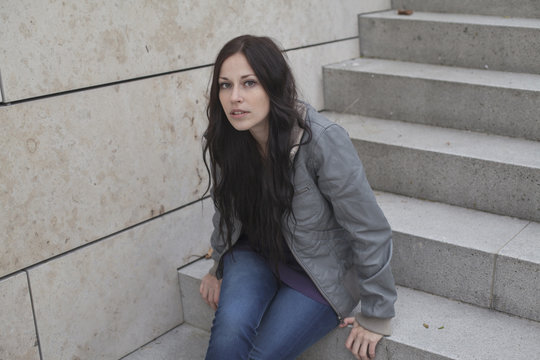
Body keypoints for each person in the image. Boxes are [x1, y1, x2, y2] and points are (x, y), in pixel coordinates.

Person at [200, 35, 397, 360]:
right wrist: (218, 264)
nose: (235, 97)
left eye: (249, 83)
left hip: (317, 270)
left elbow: (369, 228)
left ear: (274, 85)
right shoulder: (229, 137)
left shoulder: (320, 141)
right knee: (227, 339)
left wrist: (377, 312)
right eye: (225, 85)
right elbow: (226, 209)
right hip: (255, 254)